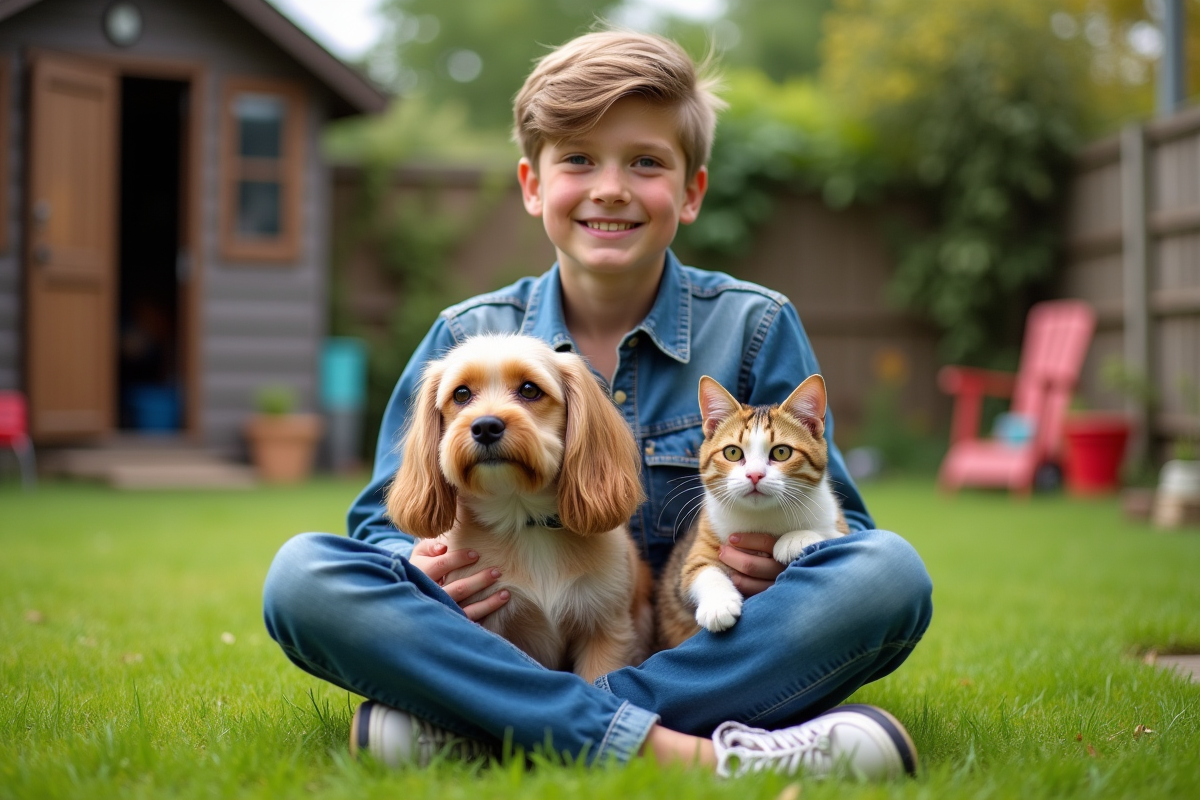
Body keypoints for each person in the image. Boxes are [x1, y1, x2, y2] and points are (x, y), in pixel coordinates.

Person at [263, 30, 933, 779]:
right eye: (578, 159)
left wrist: (775, 559)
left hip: (699, 644)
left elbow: (846, 535)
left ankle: (490, 726)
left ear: (690, 191)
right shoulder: (463, 335)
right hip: (501, 639)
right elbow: (378, 527)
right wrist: (418, 563)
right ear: (531, 184)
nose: (610, 187)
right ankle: (688, 753)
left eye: (645, 162)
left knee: (887, 576)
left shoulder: (755, 328)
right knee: (302, 577)